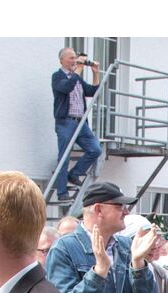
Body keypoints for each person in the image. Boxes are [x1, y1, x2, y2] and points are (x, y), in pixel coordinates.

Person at [52, 47, 102, 202]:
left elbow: (92, 91)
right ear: (62, 60)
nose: (74, 61)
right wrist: (79, 68)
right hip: (65, 122)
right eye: (71, 58)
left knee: (95, 149)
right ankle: (62, 193)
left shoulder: (77, 78)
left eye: (75, 58)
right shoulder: (57, 76)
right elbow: (67, 87)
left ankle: (74, 174)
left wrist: (95, 73)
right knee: (64, 157)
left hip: (81, 123)